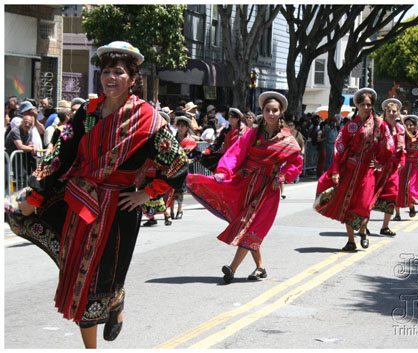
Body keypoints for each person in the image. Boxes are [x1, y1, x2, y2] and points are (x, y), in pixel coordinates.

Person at [6, 41, 188, 348]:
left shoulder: (149, 120)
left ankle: (113, 299)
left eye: (119, 72)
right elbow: (62, 151)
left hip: (118, 210)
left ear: (132, 78)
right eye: (106, 71)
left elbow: (178, 163)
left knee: (96, 283)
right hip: (78, 199)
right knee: (17, 213)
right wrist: (36, 192)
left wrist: (147, 194)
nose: (111, 78)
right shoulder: (88, 113)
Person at [185, 91, 302, 284]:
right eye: (267, 110)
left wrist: (281, 176)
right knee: (249, 227)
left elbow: (295, 163)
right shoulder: (253, 134)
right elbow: (236, 153)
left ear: (281, 112)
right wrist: (224, 171)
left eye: (275, 110)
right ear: (262, 111)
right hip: (247, 185)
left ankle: (232, 268)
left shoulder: (287, 139)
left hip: (268, 189)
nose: (271, 113)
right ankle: (261, 267)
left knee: (251, 227)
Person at [314, 88, 394, 251]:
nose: (366, 107)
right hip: (350, 171)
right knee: (348, 204)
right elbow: (339, 148)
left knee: (364, 204)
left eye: (369, 105)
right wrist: (335, 171)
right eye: (363, 104)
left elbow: (389, 145)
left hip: (368, 172)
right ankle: (351, 240)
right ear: (357, 105)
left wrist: (380, 161)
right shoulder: (350, 126)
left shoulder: (380, 124)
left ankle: (363, 231)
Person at [372, 98, 406, 236]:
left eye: (394, 111)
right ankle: (363, 225)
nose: (392, 113)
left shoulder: (400, 129)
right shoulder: (380, 127)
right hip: (378, 167)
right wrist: (375, 161)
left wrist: (401, 163)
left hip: (392, 169)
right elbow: (372, 146)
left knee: (392, 195)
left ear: (398, 114)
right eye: (389, 111)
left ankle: (385, 226)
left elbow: (402, 149)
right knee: (370, 195)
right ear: (384, 113)